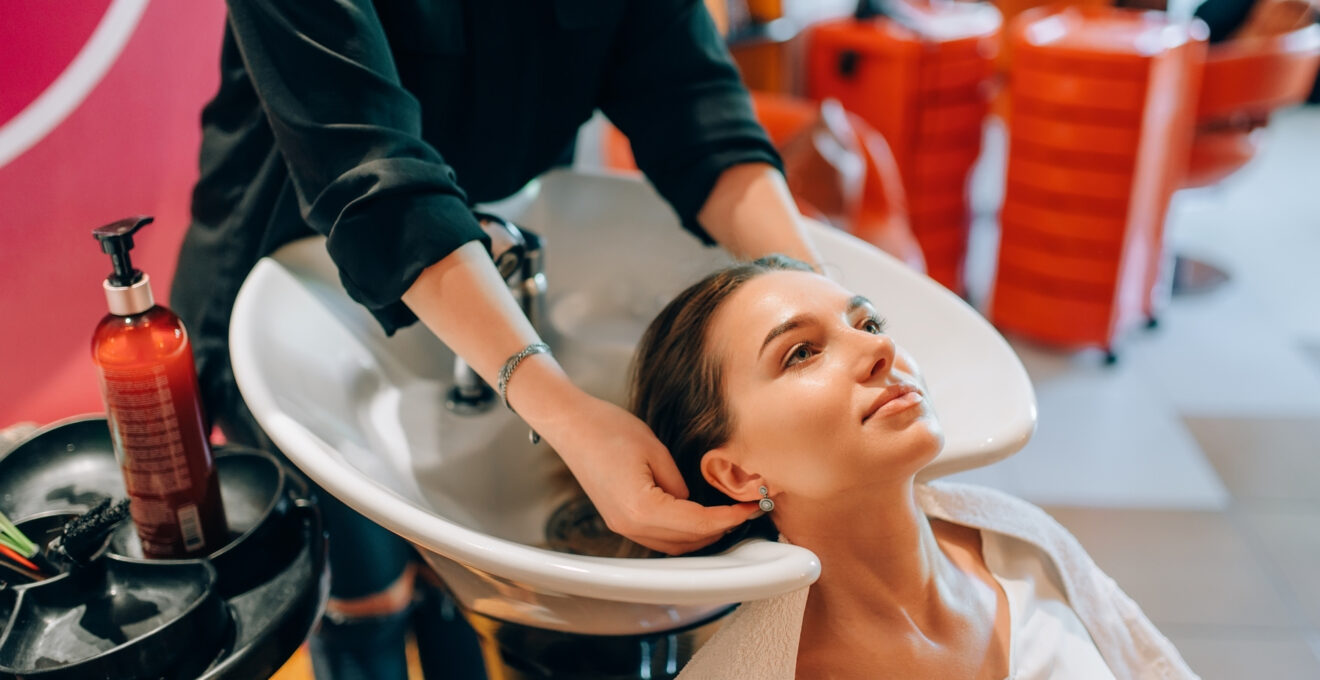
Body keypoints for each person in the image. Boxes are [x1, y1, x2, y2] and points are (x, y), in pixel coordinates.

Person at [170, 1, 823, 678]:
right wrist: (567, 414)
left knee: (456, 600)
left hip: (490, 274)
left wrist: (821, 305)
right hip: (311, 301)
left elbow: (692, 103)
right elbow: (371, 174)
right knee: (368, 601)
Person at [628, 256, 1198, 679]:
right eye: (800, 352)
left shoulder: (1023, 549)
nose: (880, 351)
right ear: (738, 475)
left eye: (869, 324)